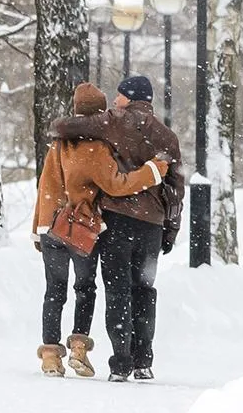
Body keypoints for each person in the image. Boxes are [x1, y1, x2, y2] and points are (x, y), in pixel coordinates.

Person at [49, 75, 184, 383]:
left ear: (129, 98)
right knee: (145, 290)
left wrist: (69, 127)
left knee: (117, 290)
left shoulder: (112, 121)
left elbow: (60, 127)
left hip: (117, 221)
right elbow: (176, 188)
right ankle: (143, 361)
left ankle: (120, 363)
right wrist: (171, 228)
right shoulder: (167, 136)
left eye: (120, 95)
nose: (115, 100)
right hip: (152, 224)